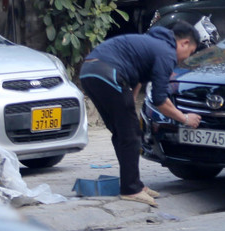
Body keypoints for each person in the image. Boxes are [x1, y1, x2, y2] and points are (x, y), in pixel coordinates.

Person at [79, 22, 201, 207]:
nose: (186, 58)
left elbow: (136, 80)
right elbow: (160, 100)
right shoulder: (166, 53)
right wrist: (185, 118)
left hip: (89, 71)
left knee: (124, 131)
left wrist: (129, 109)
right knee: (131, 134)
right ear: (184, 43)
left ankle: (135, 184)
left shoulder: (151, 43)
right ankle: (131, 189)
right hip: (108, 73)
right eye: (190, 52)